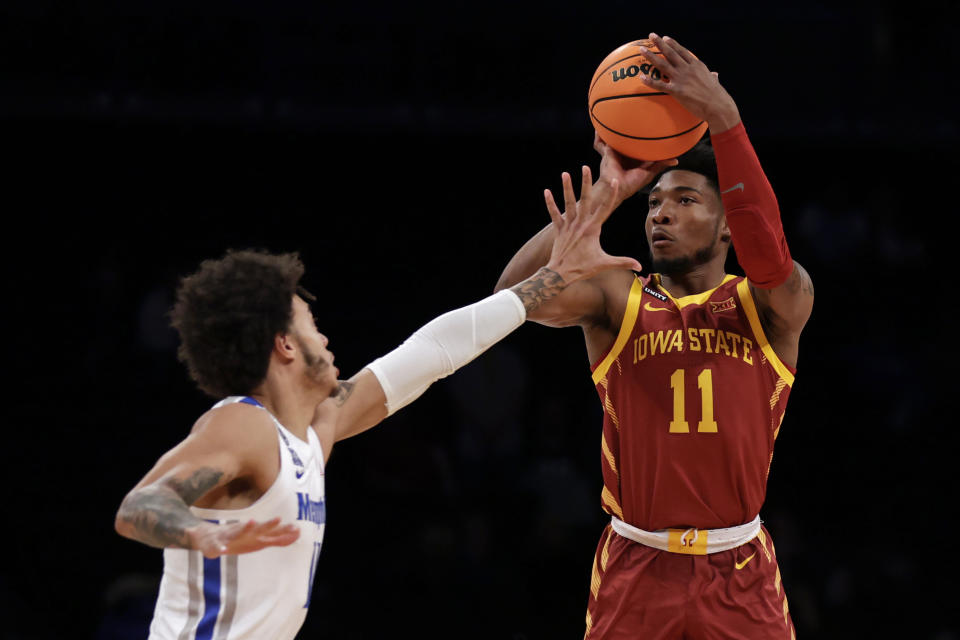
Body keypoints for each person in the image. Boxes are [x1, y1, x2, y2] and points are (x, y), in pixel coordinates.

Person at [113, 176, 638, 640]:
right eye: (310, 324)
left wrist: (551, 278)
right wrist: (201, 533)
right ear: (285, 346)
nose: (324, 336)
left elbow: (430, 354)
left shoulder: (314, 429)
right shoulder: (242, 423)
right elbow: (140, 507)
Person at [494, 34, 813, 639]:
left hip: (739, 565)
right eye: (655, 203)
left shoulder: (770, 305)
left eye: (685, 199)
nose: (659, 214)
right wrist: (610, 192)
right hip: (635, 564)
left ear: (727, 230)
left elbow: (769, 253)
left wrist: (726, 120)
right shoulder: (619, 299)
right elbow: (510, 302)